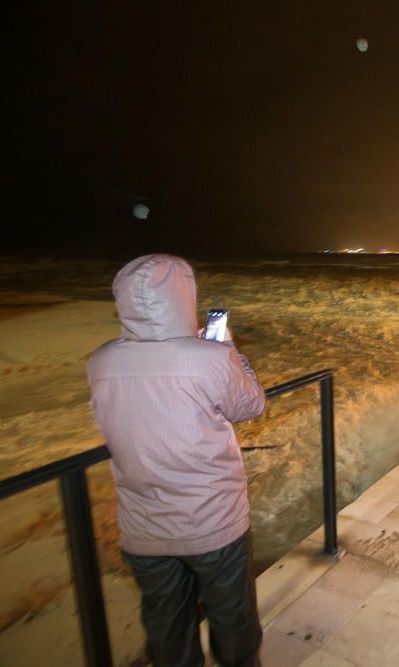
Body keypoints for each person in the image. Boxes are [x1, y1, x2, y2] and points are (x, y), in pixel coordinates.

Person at [88, 254, 266, 667]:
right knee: (233, 625)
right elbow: (251, 405)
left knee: (168, 634)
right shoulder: (208, 358)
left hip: (143, 527)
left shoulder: (100, 362)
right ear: (182, 297)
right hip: (213, 523)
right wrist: (228, 349)